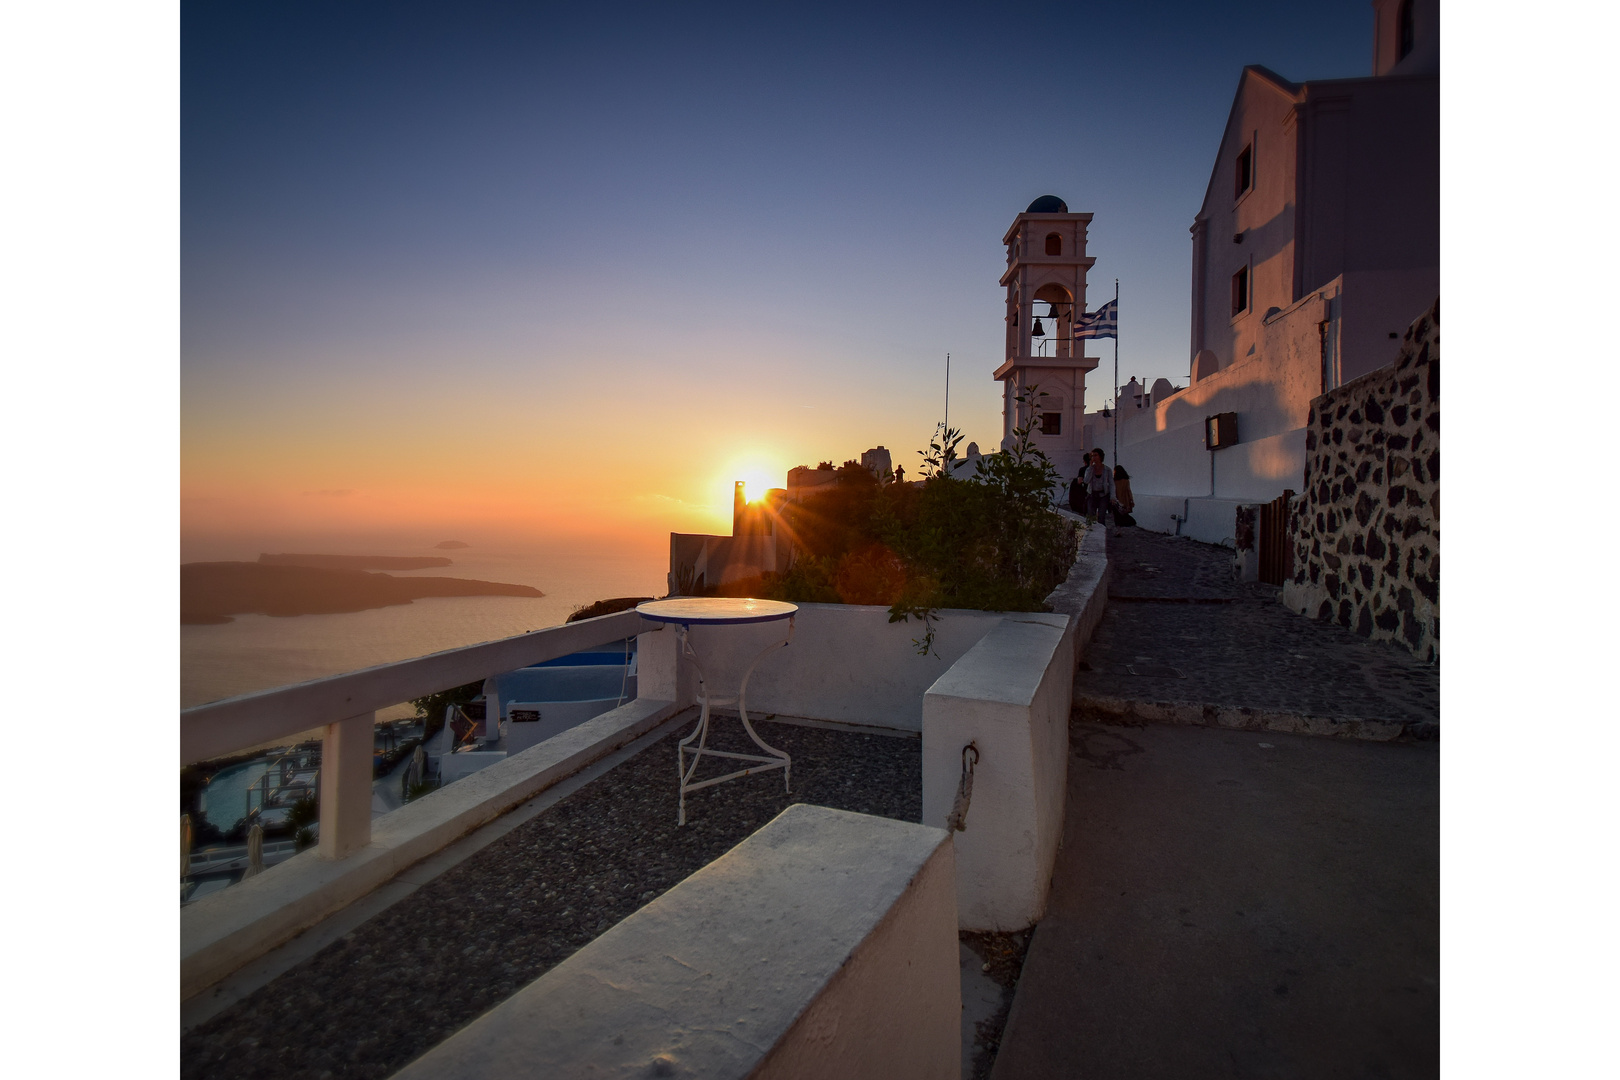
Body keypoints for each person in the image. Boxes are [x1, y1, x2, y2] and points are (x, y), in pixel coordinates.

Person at [1080, 449, 1114, 522]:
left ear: (1100, 456)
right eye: (1092, 456)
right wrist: (1090, 467)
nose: (1094, 457)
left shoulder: (1107, 470)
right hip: (1092, 494)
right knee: (1091, 516)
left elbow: (1111, 483)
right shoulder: (1090, 469)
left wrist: (1112, 496)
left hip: (1103, 495)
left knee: (1101, 516)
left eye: (1095, 455)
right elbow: (1086, 481)